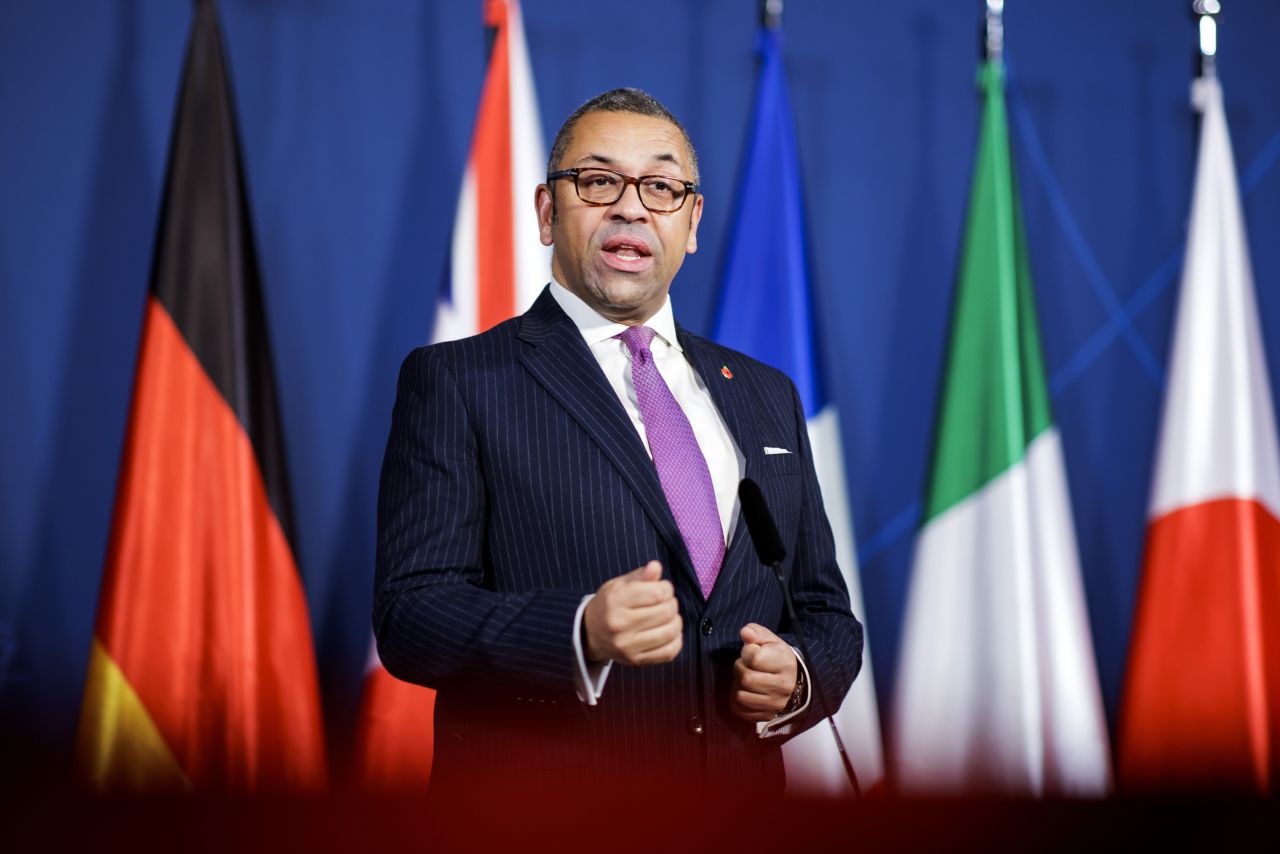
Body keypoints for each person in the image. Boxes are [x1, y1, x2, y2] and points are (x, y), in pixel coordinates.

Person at [374, 88, 862, 800]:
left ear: (692, 222)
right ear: (547, 212)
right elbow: (411, 616)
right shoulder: (458, 380)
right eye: (599, 181)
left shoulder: (765, 395)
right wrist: (579, 632)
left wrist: (798, 675)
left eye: (661, 187)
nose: (631, 207)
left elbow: (824, 612)